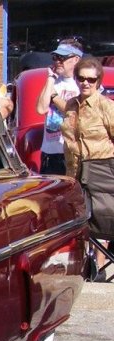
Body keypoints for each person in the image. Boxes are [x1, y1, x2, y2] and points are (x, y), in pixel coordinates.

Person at [62, 57, 114, 275]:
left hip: (101, 167)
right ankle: (86, 263)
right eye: (81, 78)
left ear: (98, 81)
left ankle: (100, 265)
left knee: (103, 217)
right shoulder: (71, 105)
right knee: (80, 218)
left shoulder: (106, 106)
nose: (85, 83)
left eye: (91, 80)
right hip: (75, 170)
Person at [35, 40, 83, 174]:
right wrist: (50, 78)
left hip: (72, 151)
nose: (57, 61)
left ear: (76, 59)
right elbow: (41, 109)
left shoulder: (84, 83)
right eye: (55, 57)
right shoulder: (53, 82)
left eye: (62, 58)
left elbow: (74, 111)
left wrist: (54, 97)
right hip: (50, 150)